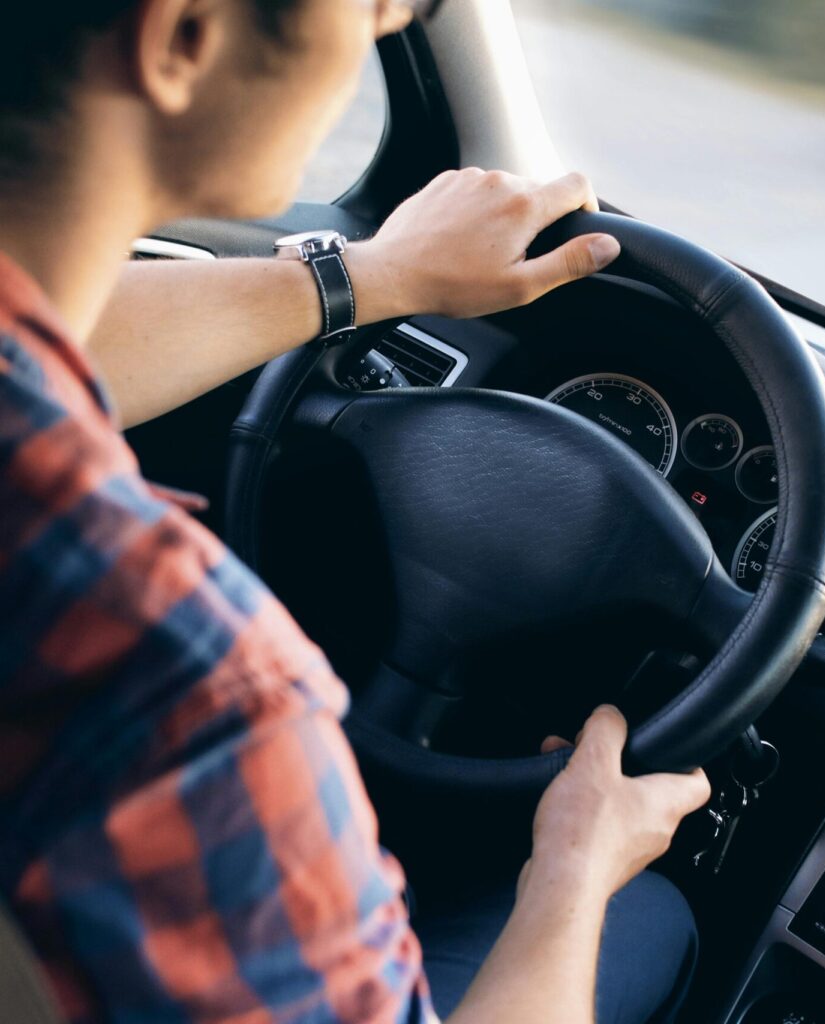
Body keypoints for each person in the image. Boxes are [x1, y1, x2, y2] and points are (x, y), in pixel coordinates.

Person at [0, 1, 711, 1022]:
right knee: (648, 915)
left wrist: (370, 276)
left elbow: (49, 349)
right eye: (376, 1)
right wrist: (574, 864)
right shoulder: (184, 691)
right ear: (182, 35)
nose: (386, 22)